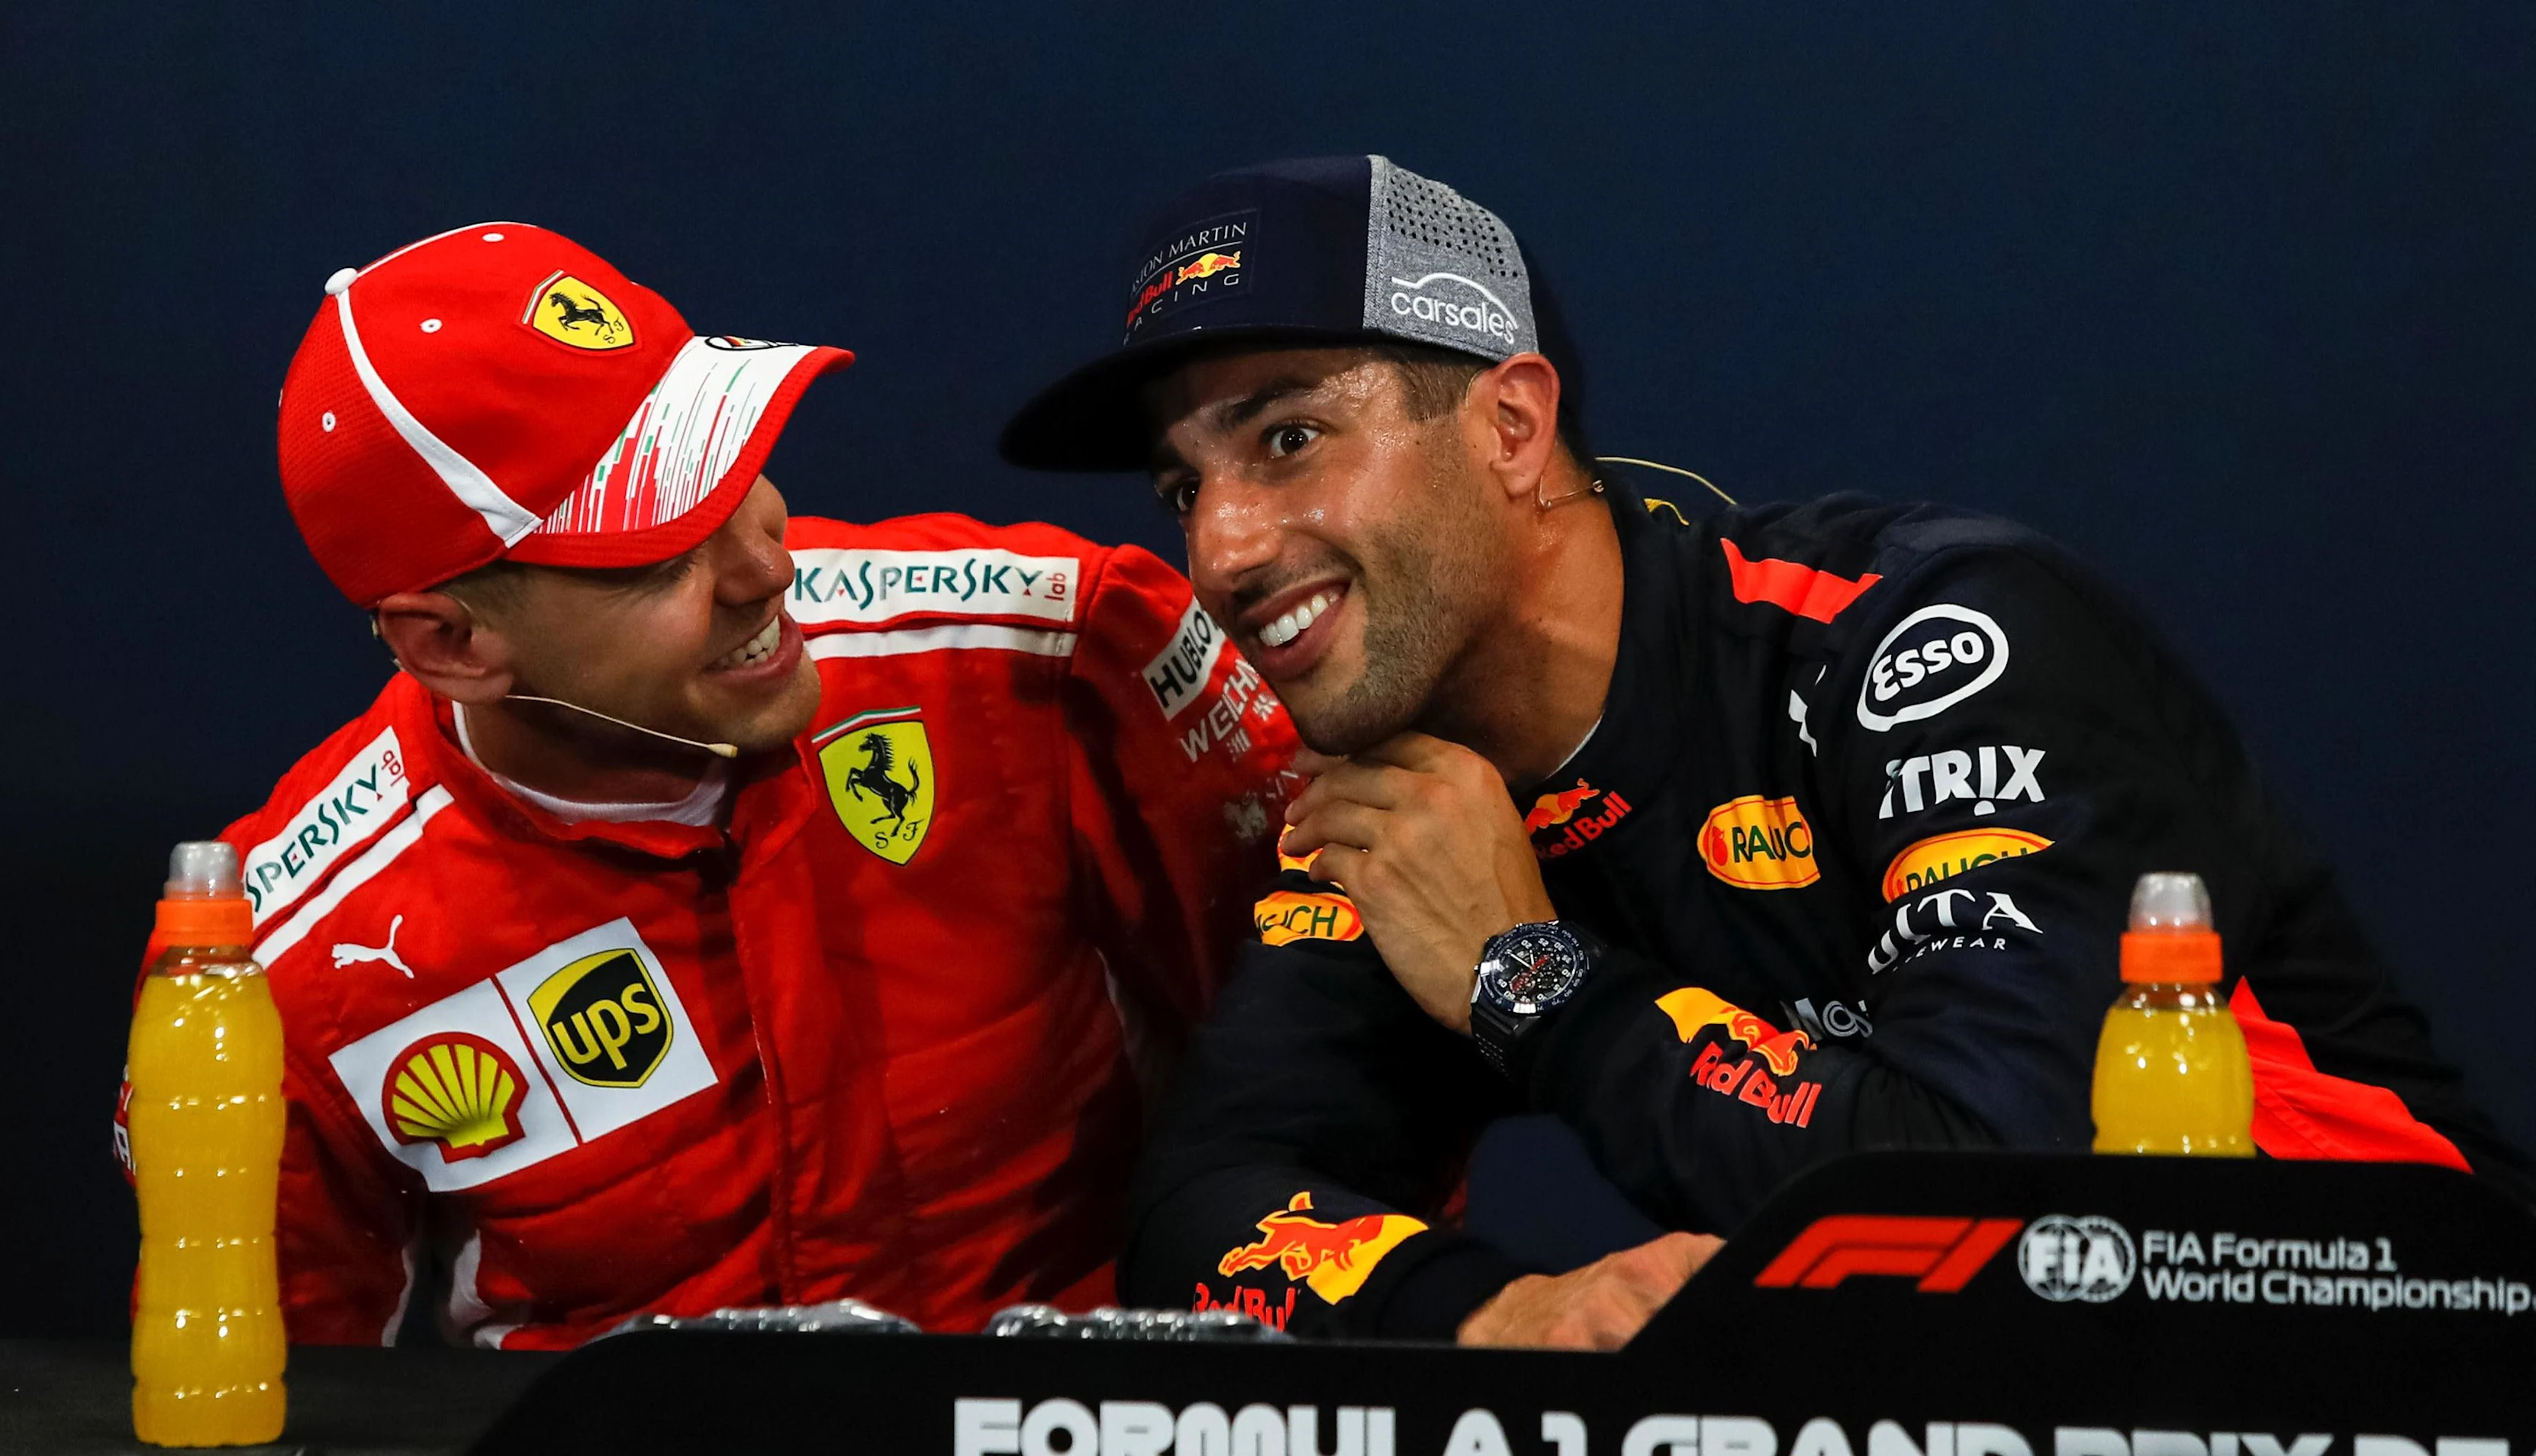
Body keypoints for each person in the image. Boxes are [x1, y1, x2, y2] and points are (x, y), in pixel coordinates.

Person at [999, 155, 2536, 1348]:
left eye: (1283, 439)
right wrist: (1490, 1313)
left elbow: (1993, 1199)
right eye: (1180, 487)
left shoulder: (1925, 645)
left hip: (2393, 1349)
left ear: (1512, 427)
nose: (1220, 548)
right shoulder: (1411, 791)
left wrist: (1528, 977)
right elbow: (1211, 1204)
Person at [114, 222, 1296, 1348]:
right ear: (451, 645)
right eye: (659, 548)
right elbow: (276, 1404)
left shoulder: (1049, 644)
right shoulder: (281, 969)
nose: (764, 562)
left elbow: (1328, 1109)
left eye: (732, 464)